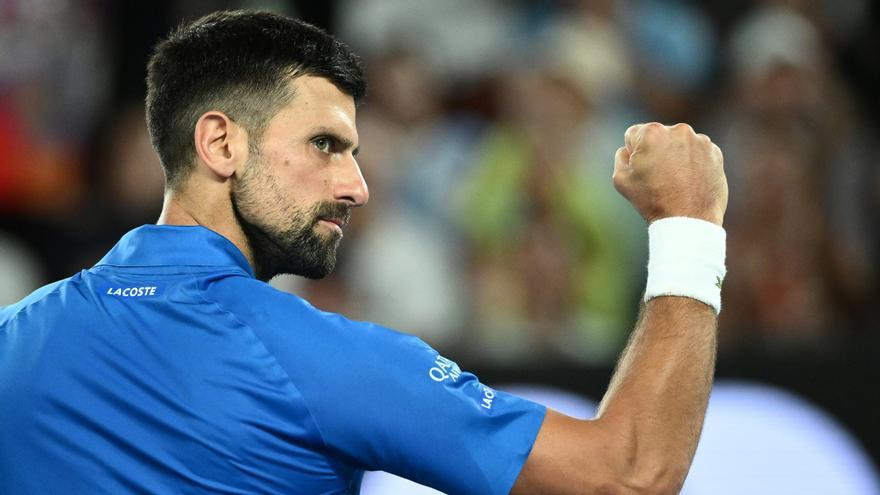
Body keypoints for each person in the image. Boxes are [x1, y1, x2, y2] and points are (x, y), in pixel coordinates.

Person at [0, 10, 728, 495]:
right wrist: (688, 225)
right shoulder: (315, 356)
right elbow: (630, 472)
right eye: (325, 145)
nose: (357, 185)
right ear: (220, 143)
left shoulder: (13, 339)